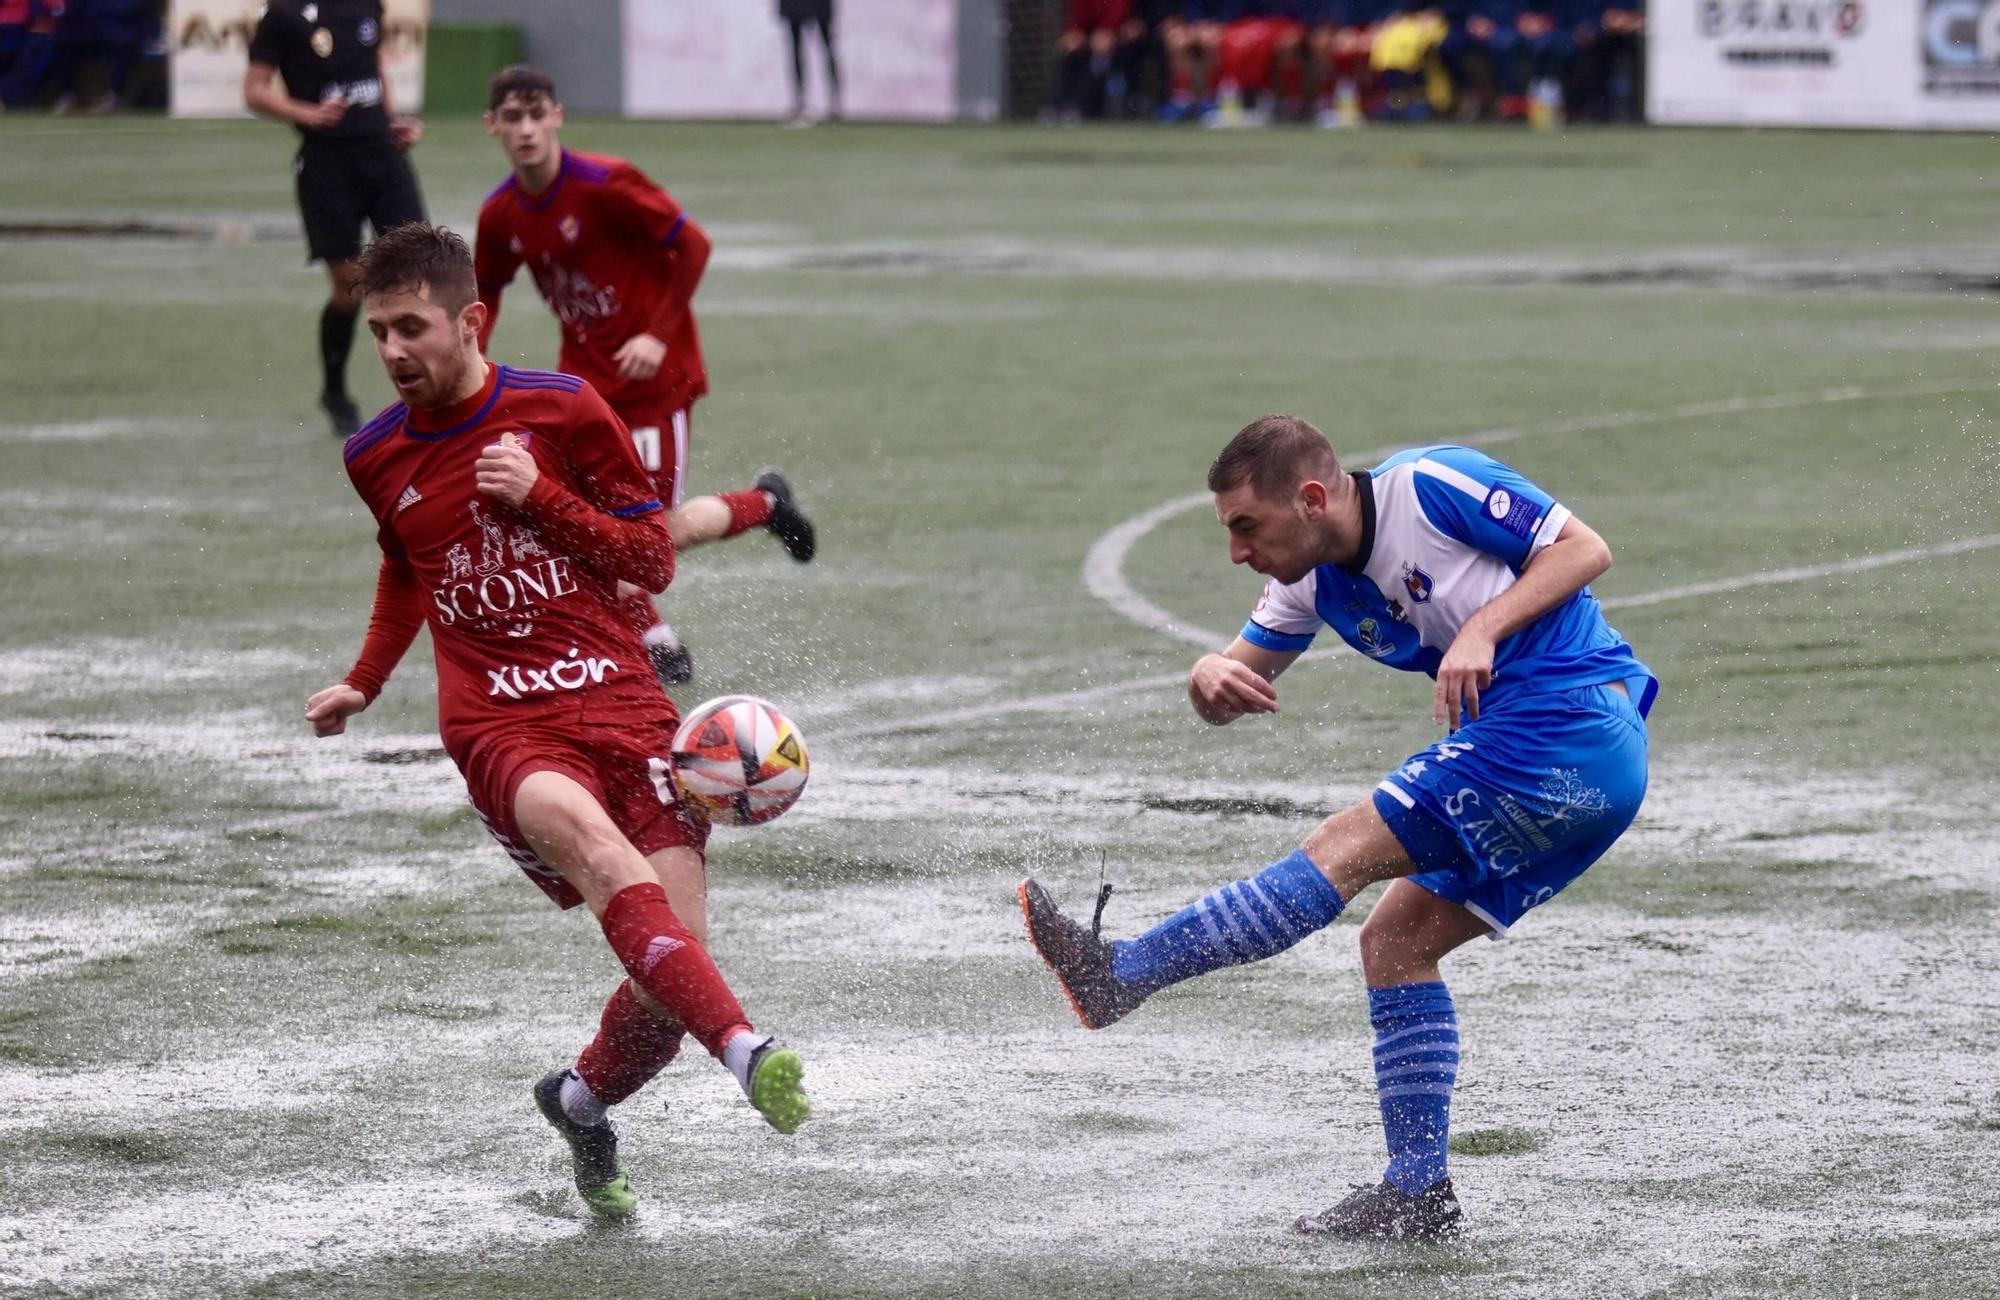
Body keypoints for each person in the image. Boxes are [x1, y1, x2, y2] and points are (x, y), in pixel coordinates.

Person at [1021, 414, 1655, 1240]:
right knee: (1397, 944)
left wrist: (1482, 628)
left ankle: (1124, 973)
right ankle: (1418, 1193)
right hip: (1587, 771)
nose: (1237, 552)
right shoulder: (1307, 583)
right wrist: (1205, 675)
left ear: (1312, 498)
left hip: (1566, 723)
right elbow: (1232, 683)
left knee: (1341, 847)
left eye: (1247, 526)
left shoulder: (1431, 486)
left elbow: (1584, 549)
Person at [305, 222, 811, 1220]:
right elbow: (407, 560)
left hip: (623, 704)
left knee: (668, 985)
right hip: (498, 724)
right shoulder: (374, 456)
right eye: (379, 333)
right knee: (592, 848)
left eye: (413, 328)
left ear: (471, 320)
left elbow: (648, 560)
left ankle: (578, 1101)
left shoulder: (563, 411)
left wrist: (539, 497)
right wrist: (365, 679)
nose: (395, 352)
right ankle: (750, 1052)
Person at [474, 65, 817, 687]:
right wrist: (468, 373)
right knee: (574, 520)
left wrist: (655, 336)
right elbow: (485, 298)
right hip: (581, 389)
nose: (525, 130)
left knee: (651, 536)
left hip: (656, 384)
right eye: (512, 119)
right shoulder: (500, 214)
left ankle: (764, 503)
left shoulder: (606, 184)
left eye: (535, 115)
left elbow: (694, 247)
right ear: (492, 126)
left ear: (557, 116)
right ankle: (654, 636)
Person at [243, 0, 424, 438]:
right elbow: (255, 90)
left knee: (420, 271)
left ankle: (426, 393)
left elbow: (375, 63)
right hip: (327, 165)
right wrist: (307, 114)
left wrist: (391, 118)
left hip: (382, 155)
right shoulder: (283, 15)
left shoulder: (367, 5)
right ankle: (335, 392)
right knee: (349, 289)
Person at [777, 0, 840, 125]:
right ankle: (800, 102)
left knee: (826, 47)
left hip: (818, 4)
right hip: (794, 4)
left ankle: (834, 103)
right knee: (796, 49)